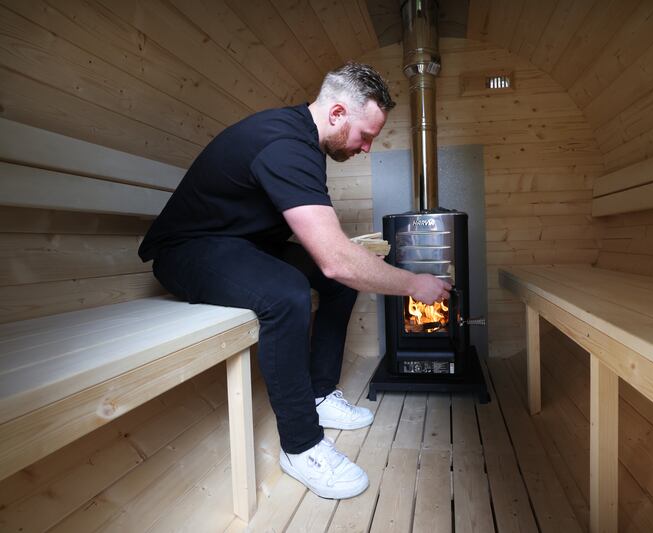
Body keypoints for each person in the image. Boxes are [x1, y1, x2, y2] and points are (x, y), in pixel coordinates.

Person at [138, 62, 451, 499]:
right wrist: (414, 284)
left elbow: (332, 259)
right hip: (188, 250)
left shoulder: (306, 143)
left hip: (240, 245)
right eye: (365, 136)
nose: (365, 149)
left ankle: (321, 394)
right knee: (287, 293)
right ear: (338, 113)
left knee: (338, 283)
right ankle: (301, 446)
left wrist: (349, 257)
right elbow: (336, 260)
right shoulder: (284, 143)